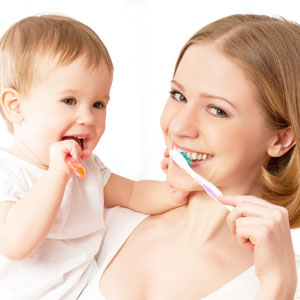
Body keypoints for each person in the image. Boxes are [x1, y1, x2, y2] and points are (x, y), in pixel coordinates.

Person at [79, 14, 300, 300]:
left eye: (217, 110)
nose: (178, 126)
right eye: (179, 96)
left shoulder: (285, 281)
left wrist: (276, 288)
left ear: (280, 139)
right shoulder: (97, 223)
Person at [0, 15, 189, 300]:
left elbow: (133, 193)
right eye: (69, 101)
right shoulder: (8, 172)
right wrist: (56, 175)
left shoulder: (87, 169)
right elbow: (15, 243)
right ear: (16, 107)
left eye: (98, 104)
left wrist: (177, 190)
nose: (88, 117)